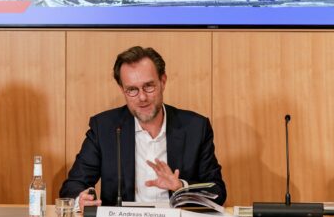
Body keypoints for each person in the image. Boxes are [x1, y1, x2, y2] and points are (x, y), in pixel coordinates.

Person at [60, 46, 226, 208]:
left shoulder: (195, 128)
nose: (142, 97)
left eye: (148, 86)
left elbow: (217, 192)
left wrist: (181, 187)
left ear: (163, 81)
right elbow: (73, 186)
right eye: (132, 89)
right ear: (122, 90)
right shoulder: (104, 128)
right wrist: (80, 199)